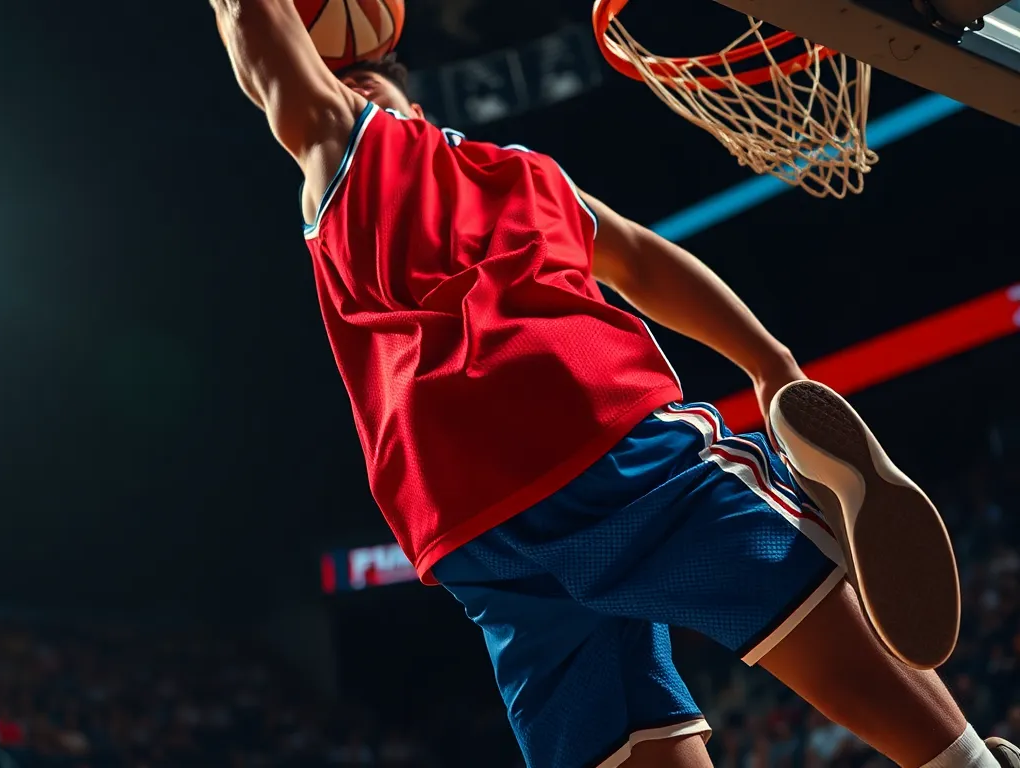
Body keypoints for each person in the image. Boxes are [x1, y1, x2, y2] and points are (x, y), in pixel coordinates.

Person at [209, 1, 1019, 766]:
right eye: (335, 76)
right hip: (513, 501)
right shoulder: (348, 157)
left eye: (364, 75)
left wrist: (771, 363)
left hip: (523, 479)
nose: (346, 84)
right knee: (752, 607)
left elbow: (639, 260)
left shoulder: (517, 173)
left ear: (410, 101)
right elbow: (262, 44)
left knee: (718, 649)